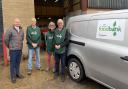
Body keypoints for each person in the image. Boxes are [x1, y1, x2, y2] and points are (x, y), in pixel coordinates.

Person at [5, 18, 24, 83]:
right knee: (12, 64)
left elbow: (22, 38)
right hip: (13, 50)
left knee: (18, 63)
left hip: (19, 50)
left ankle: (17, 74)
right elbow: (6, 39)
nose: (17, 23)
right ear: (14, 22)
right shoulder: (10, 30)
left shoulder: (21, 30)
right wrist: (9, 46)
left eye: (18, 22)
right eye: (16, 22)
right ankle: (12, 76)